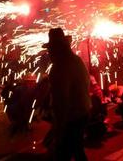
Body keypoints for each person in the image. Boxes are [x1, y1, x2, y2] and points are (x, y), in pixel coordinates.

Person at [43, 28, 91, 161]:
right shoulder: (76, 60)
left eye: (50, 49)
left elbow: (61, 102)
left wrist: (58, 130)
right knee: (77, 149)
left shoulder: (59, 67)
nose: (49, 52)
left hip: (71, 117)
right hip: (84, 112)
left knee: (62, 154)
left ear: (57, 49)